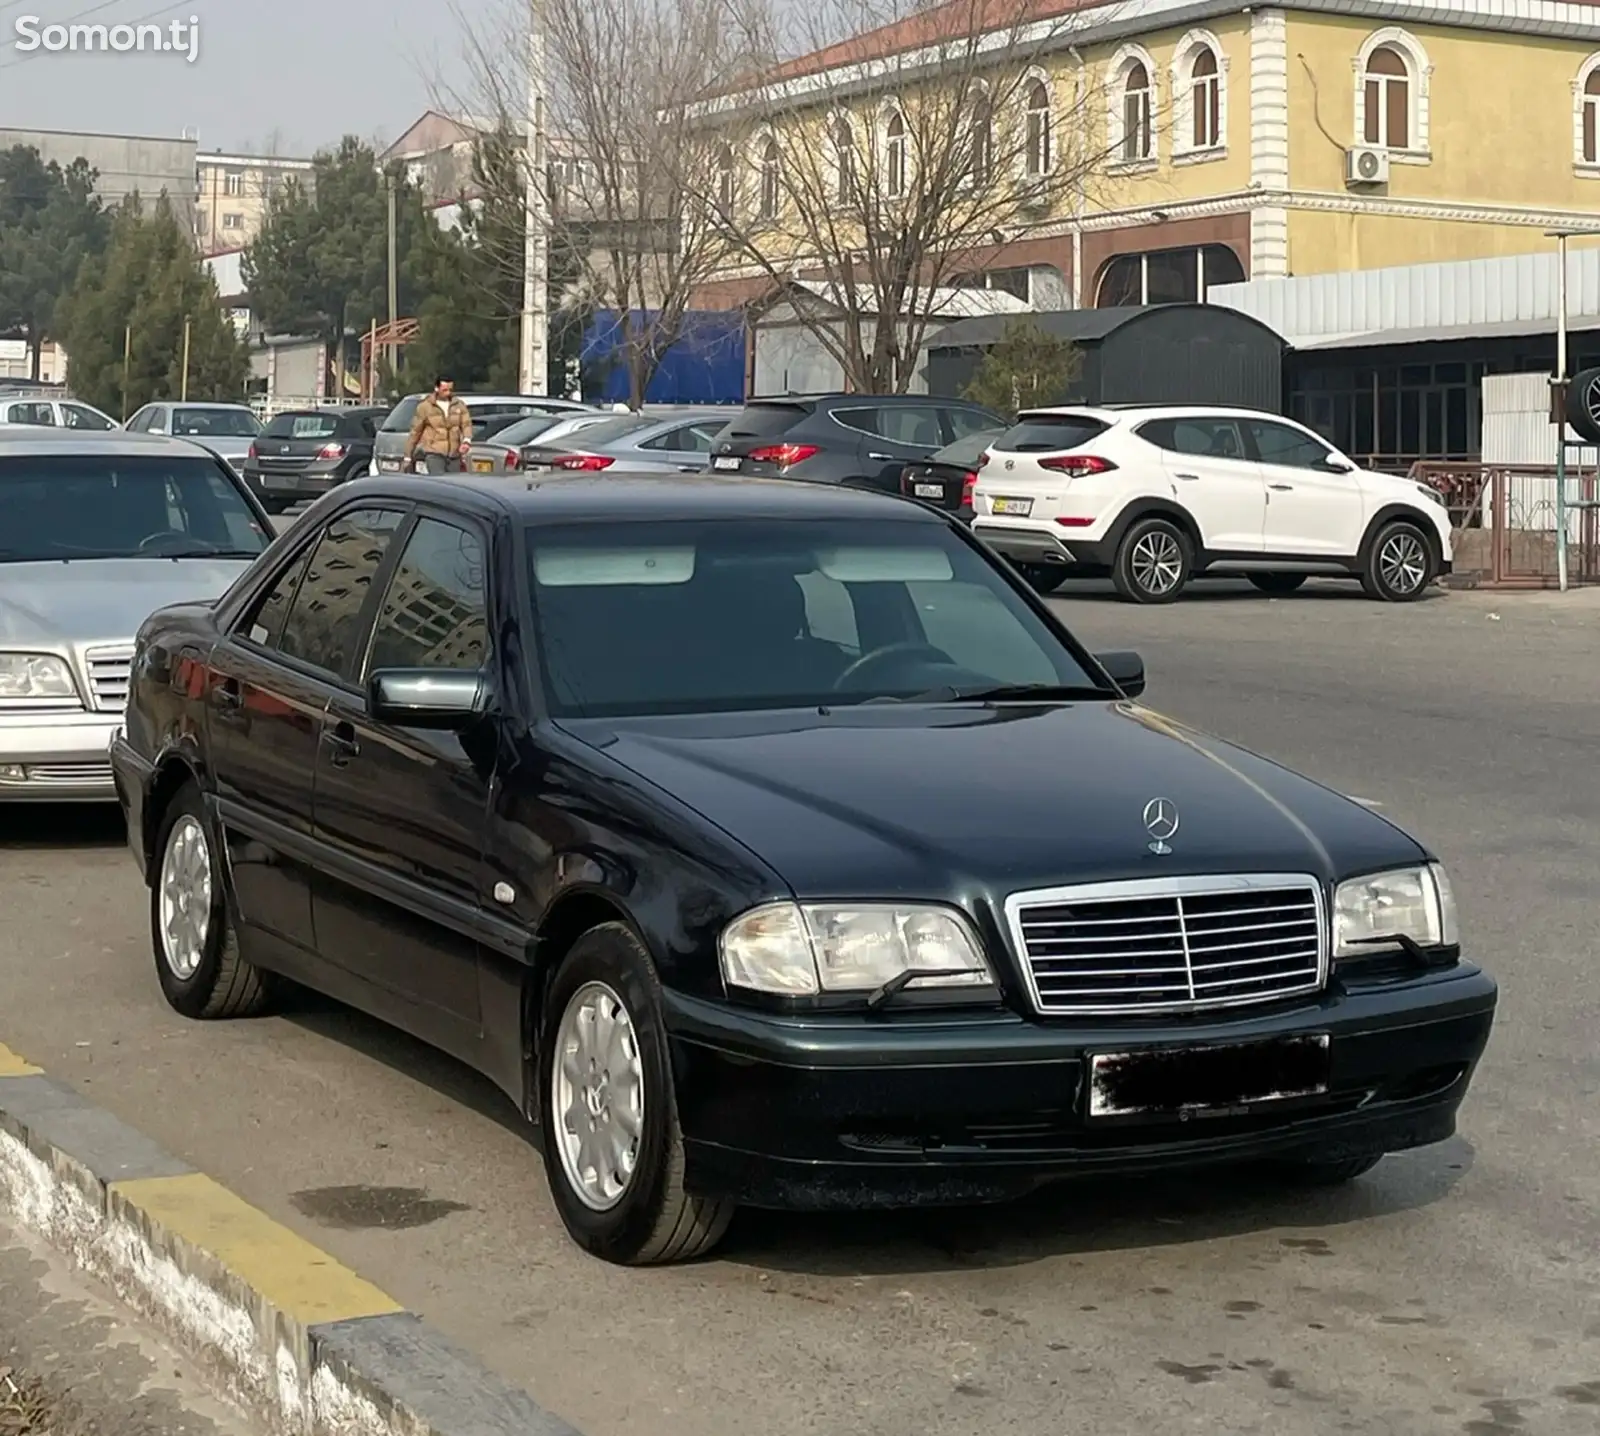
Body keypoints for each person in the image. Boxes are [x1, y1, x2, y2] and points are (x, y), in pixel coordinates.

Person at [406, 375, 472, 474]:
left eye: (450, 390)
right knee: (440, 483)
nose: (448, 393)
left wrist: (466, 441)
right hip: (434, 453)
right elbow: (415, 431)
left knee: (454, 485)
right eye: (445, 390)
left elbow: (466, 424)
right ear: (436, 388)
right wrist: (408, 455)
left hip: (454, 455)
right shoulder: (425, 407)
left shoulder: (459, 405)